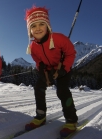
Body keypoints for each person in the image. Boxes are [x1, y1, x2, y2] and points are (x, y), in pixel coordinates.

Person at [24, 5, 78, 137]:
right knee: (39, 88)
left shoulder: (59, 38)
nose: (37, 28)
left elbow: (71, 53)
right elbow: (38, 60)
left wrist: (64, 69)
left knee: (62, 91)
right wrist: (41, 69)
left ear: (47, 25)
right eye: (33, 26)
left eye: (41, 24)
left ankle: (71, 120)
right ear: (29, 30)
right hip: (48, 70)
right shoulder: (32, 47)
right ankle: (40, 116)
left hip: (63, 69)